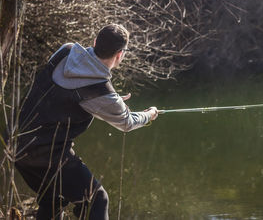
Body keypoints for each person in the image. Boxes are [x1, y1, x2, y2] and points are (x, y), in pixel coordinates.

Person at [9, 24, 158, 219]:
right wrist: (149, 114)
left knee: (54, 199)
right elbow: (127, 123)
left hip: (14, 142)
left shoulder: (66, 50)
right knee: (97, 199)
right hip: (47, 154)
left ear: (95, 42)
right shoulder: (102, 91)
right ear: (120, 54)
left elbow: (63, 92)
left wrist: (109, 102)